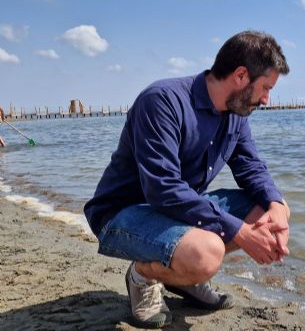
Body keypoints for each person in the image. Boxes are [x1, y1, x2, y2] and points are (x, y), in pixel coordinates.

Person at [84, 31, 291, 328]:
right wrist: (242, 233)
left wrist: (277, 209)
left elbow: (251, 168)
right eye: (265, 88)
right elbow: (162, 189)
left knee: (269, 209)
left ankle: (183, 278)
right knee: (207, 254)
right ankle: (144, 275)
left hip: (177, 212)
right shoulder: (163, 101)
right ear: (241, 75)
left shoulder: (236, 114)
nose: (267, 100)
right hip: (123, 214)